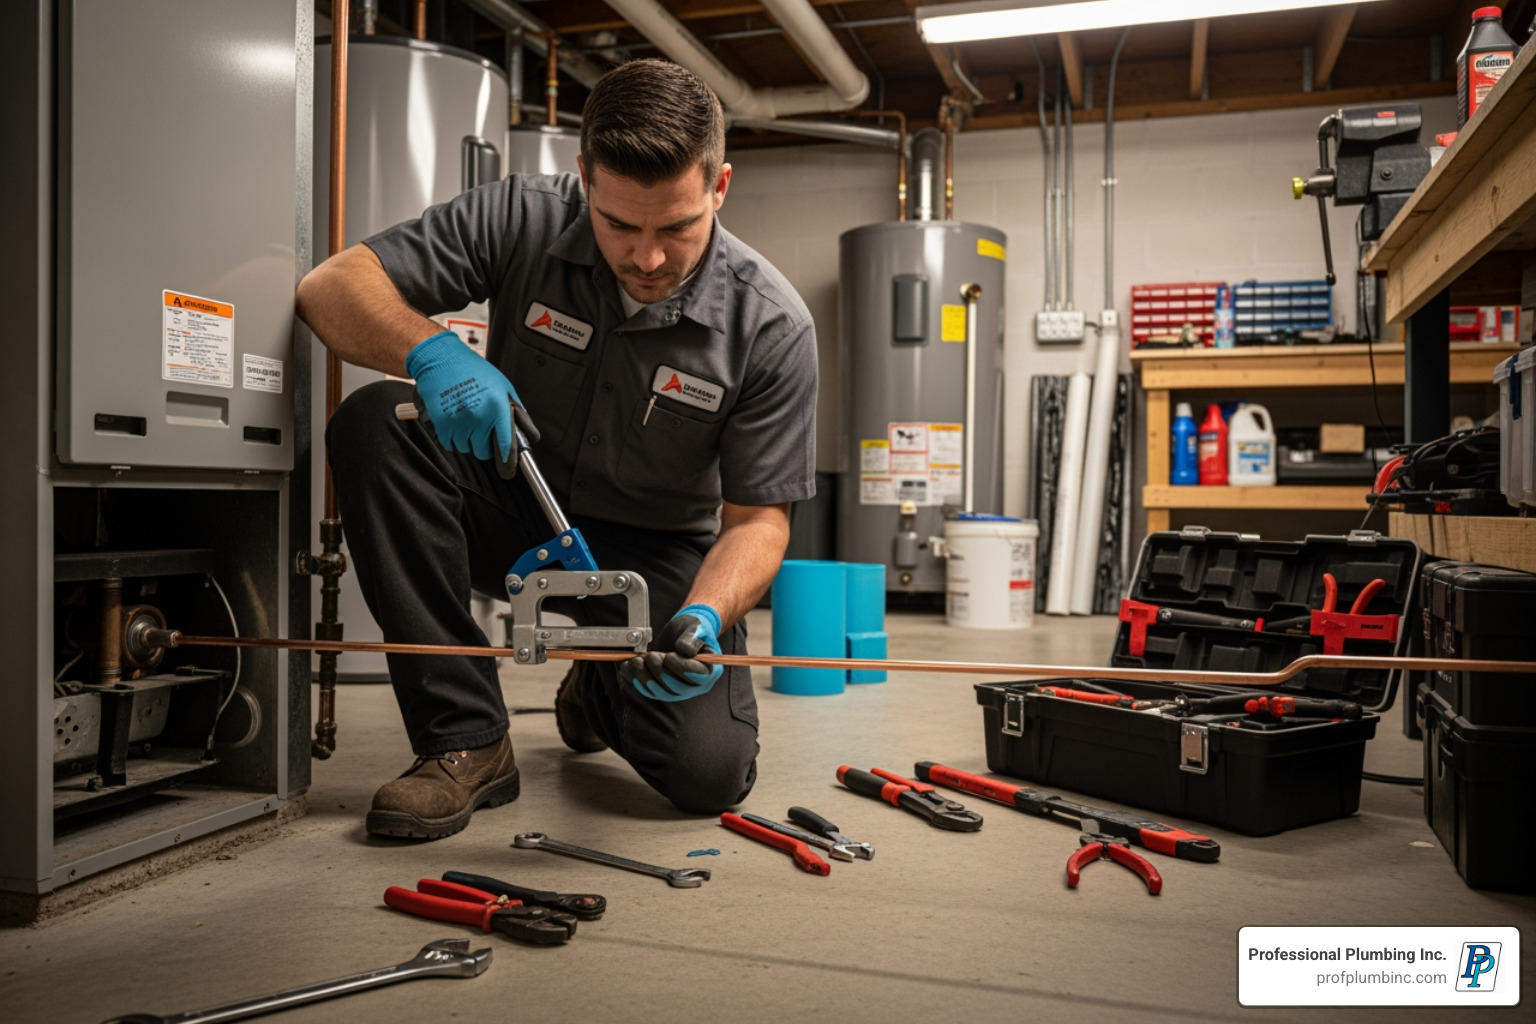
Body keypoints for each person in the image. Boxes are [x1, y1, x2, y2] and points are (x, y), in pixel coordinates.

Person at [295, 59, 817, 840]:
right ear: (583, 180)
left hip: (655, 556)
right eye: (619, 225)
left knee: (709, 775)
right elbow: (330, 287)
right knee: (377, 422)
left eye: (675, 228)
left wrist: (705, 617)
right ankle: (466, 740)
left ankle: (601, 689)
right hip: (511, 506)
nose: (646, 258)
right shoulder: (522, 217)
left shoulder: (772, 327)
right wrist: (431, 351)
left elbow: (756, 521)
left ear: (719, 187)